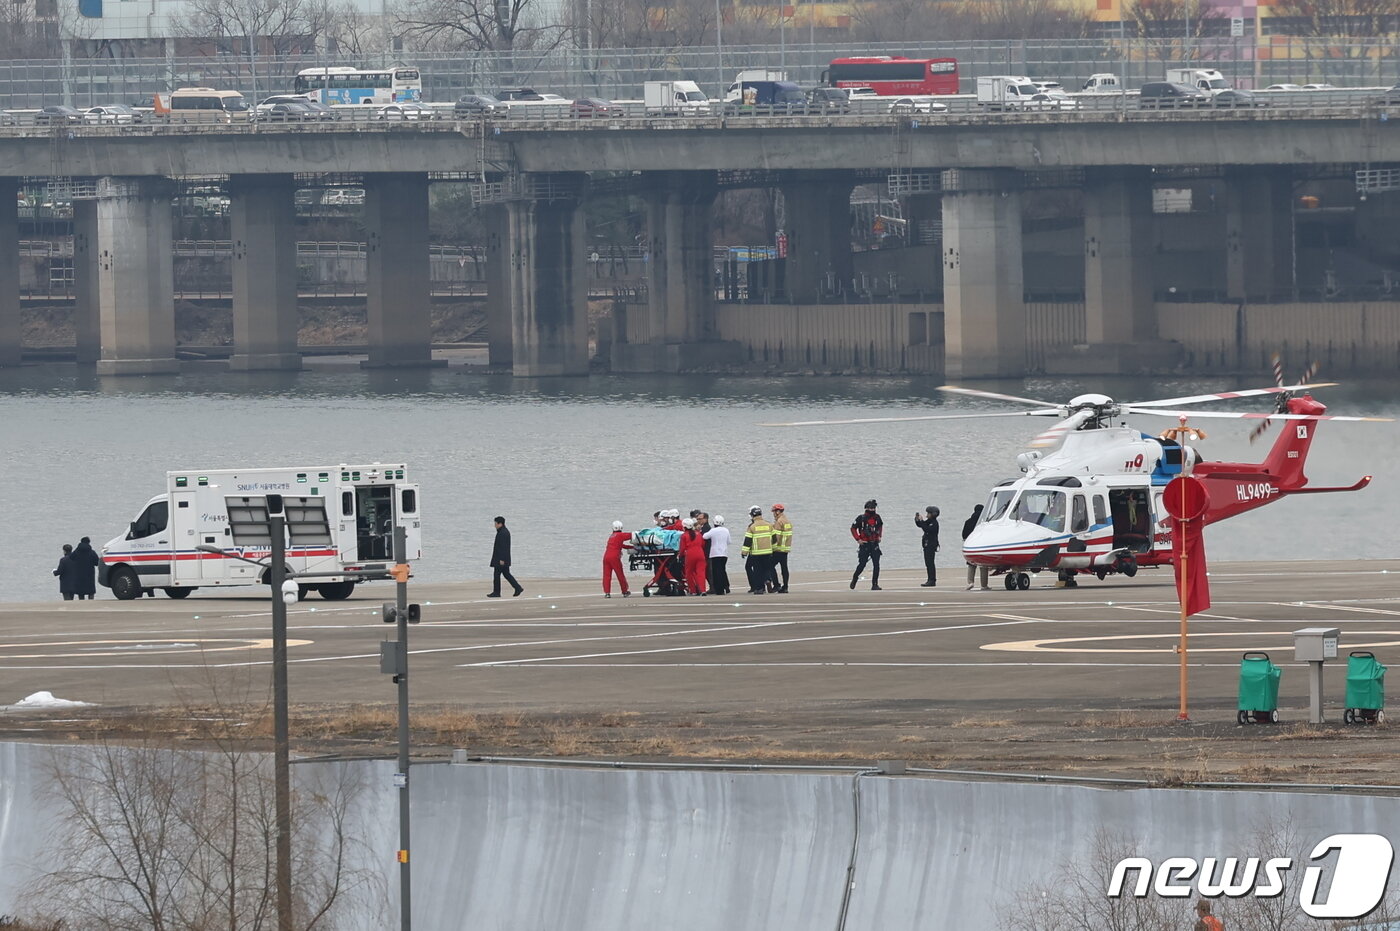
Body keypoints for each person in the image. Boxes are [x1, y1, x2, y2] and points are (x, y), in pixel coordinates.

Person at [850, 499, 883, 591]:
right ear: (866, 508)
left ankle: (875, 584)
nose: (872, 510)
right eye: (871, 508)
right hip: (865, 544)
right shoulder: (861, 518)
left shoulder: (877, 518)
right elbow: (853, 528)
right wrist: (858, 539)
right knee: (862, 564)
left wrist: (879, 536)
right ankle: (855, 577)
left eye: (874, 508)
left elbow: (880, 526)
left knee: (876, 564)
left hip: (875, 544)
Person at [740, 506, 774, 595]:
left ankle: (760, 588)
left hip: (756, 553)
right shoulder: (769, 525)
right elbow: (774, 539)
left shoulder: (752, 527)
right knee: (766, 569)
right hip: (768, 552)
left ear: (752, 515)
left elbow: (747, 541)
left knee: (757, 571)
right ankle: (768, 580)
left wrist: (744, 552)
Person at [487, 516, 523, 598]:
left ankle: (497, 592)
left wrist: (502, 559)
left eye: (496, 523)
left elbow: (504, 547)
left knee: (497, 575)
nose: (494, 525)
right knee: (506, 574)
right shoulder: (502, 531)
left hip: (501, 559)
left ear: (500, 524)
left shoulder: (503, 533)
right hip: (501, 558)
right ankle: (517, 588)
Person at [602, 520, 632, 598]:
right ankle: (624, 591)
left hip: (606, 557)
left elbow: (620, 545)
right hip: (614, 557)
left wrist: (630, 547)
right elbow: (631, 535)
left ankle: (607, 593)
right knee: (620, 574)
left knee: (607, 576)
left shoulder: (611, 536)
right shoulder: (620, 535)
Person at [963, 504, 989, 591]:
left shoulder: (968, 521)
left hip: (971, 545)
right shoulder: (984, 522)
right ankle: (984, 585)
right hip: (982, 545)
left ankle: (970, 582)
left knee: (971, 565)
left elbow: (964, 535)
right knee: (984, 565)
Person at [704, 515, 731, 596]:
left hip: (715, 553)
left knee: (716, 572)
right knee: (722, 570)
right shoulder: (726, 530)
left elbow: (704, 536)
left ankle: (719, 589)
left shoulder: (713, 531)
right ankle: (726, 586)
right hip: (724, 553)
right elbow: (729, 541)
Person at [681, 518, 708, 595]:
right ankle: (703, 590)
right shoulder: (698, 534)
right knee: (701, 573)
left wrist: (680, 555)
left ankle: (693, 591)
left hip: (690, 555)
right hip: (700, 554)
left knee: (689, 573)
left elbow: (682, 548)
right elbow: (703, 544)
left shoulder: (684, 536)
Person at [770, 504, 793, 593]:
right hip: (785, 549)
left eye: (774, 512)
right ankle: (785, 586)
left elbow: (776, 537)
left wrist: (772, 548)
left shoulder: (779, 522)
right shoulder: (788, 521)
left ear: (778, 511)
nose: (773, 514)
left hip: (778, 549)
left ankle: (776, 585)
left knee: (770, 566)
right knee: (784, 568)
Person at [915, 506, 940, 587]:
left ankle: (932, 580)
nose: (927, 515)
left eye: (928, 513)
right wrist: (917, 520)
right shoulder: (929, 521)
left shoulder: (934, 523)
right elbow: (922, 525)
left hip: (931, 545)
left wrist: (921, 521)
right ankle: (930, 579)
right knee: (928, 563)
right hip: (927, 545)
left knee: (930, 563)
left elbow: (926, 529)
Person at [70, 536, 100, 601]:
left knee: (80, 592)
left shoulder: (76, 551)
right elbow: (97, 563)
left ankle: (81, 604)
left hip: (79, 574)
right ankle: (91, 603)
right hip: (89, 575)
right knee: (90, 591)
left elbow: (71, 558)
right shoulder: (92, 552)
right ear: (89, 542)